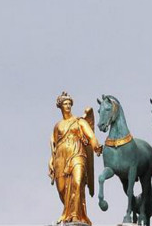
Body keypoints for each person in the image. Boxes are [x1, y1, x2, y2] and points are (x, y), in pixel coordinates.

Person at [49, 92, 103, 225]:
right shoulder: (57, 126)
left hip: (77, 154)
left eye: (69, 104)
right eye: (65, 104)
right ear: (60, 107)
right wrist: (51, 160)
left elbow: (91, 136)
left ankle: (75, 215)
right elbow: (54, 145)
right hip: (60, 158)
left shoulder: (80, 121)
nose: (68, 106)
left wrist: (96, 146)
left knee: (78, 183)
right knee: (62, 189)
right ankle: (68, 212)